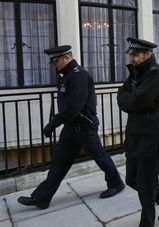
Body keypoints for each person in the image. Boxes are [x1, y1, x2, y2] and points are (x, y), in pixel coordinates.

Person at [17, 45, 125, 210]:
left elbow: (74, 106)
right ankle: (42, 198)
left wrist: (53, 123)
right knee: (59, 163)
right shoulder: (66, 75)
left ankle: (116, 183)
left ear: (66, 58)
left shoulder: (79, 75)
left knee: (100, 156)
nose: (54, 65)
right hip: (71, 127)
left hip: (84, 126)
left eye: (55, 61)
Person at [117, 37, 159, 227]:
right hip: (135, 136)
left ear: (148, 54)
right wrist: (127, 98)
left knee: (146, 187)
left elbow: (133, 101)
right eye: (131, 55)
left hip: (151, 140)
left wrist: (128, 98)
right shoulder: (137, 74)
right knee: (132, 180)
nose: (132, 58)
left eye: (136, 55)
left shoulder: (156, 76)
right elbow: (123, 98)